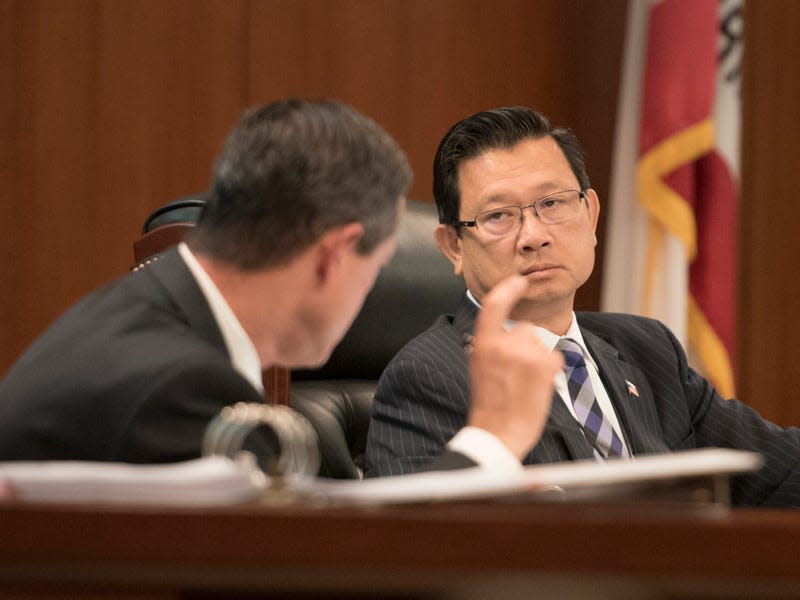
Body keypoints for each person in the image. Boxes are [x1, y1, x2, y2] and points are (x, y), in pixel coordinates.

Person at [0, 99, 561, 468]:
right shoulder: (180, 388)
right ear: (334, 257)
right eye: (373, 273)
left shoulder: (142, 315)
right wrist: (494, 435)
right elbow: (328, 588)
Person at [364, 105, 800, 507]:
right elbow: (420, 550)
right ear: (453, 246)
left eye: (551, 204)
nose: (533, 235)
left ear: (590, 216)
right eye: (499, 216)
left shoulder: (647, 348)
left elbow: (781, 472)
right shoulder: (429, 376)